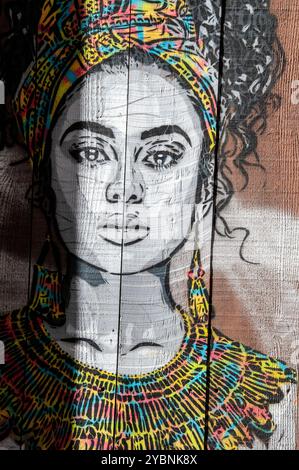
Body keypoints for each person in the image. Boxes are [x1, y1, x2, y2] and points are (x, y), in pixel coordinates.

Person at [0, 0, 296, 450]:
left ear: (203, 189)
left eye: (160, 157)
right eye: (90, 153)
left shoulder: (272, 402)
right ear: (46, 175)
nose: (125, 189)